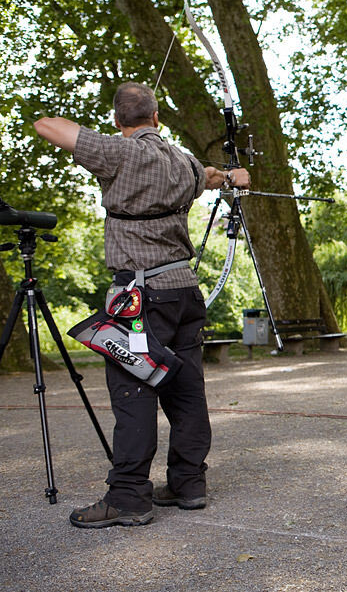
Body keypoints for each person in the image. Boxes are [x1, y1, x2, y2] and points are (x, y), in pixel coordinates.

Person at [33, 82, 250, 528]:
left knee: (133, 393)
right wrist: (229, 177)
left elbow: (46, 125)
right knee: (186, 390)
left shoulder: (118, 153)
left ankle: (130, 497)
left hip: (140, 298)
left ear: (118, 121)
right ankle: (189, 484)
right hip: (184, 292)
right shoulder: (183, 160)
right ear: (157, 118)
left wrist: (107, 142)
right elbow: (208, 176)